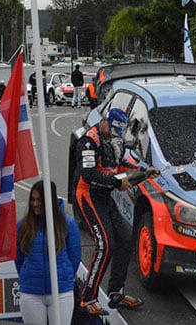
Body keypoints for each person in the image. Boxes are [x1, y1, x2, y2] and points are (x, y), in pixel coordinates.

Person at [75, 108, 158, 316]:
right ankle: (87, 298)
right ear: (104, 121)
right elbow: (88, 174)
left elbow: (120, 165)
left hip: (105, 195)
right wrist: (115, 183)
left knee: (124, 239)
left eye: (117, 132)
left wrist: (143, 172)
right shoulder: (89, 141)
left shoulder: (116, 139)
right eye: (111, 129)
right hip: (88, 195)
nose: (113, 134)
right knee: (105, 244)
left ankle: (116, 292)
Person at [16, 181, 82, 325]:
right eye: (32, 200)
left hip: (61, 292)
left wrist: (64, 275)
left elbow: (75, 257)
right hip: (31, 292)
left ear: (49, 201)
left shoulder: (68, 224)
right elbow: (18, 258)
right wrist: (28, 275)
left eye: (39, 200)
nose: (35, 204)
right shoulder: (23, 226)